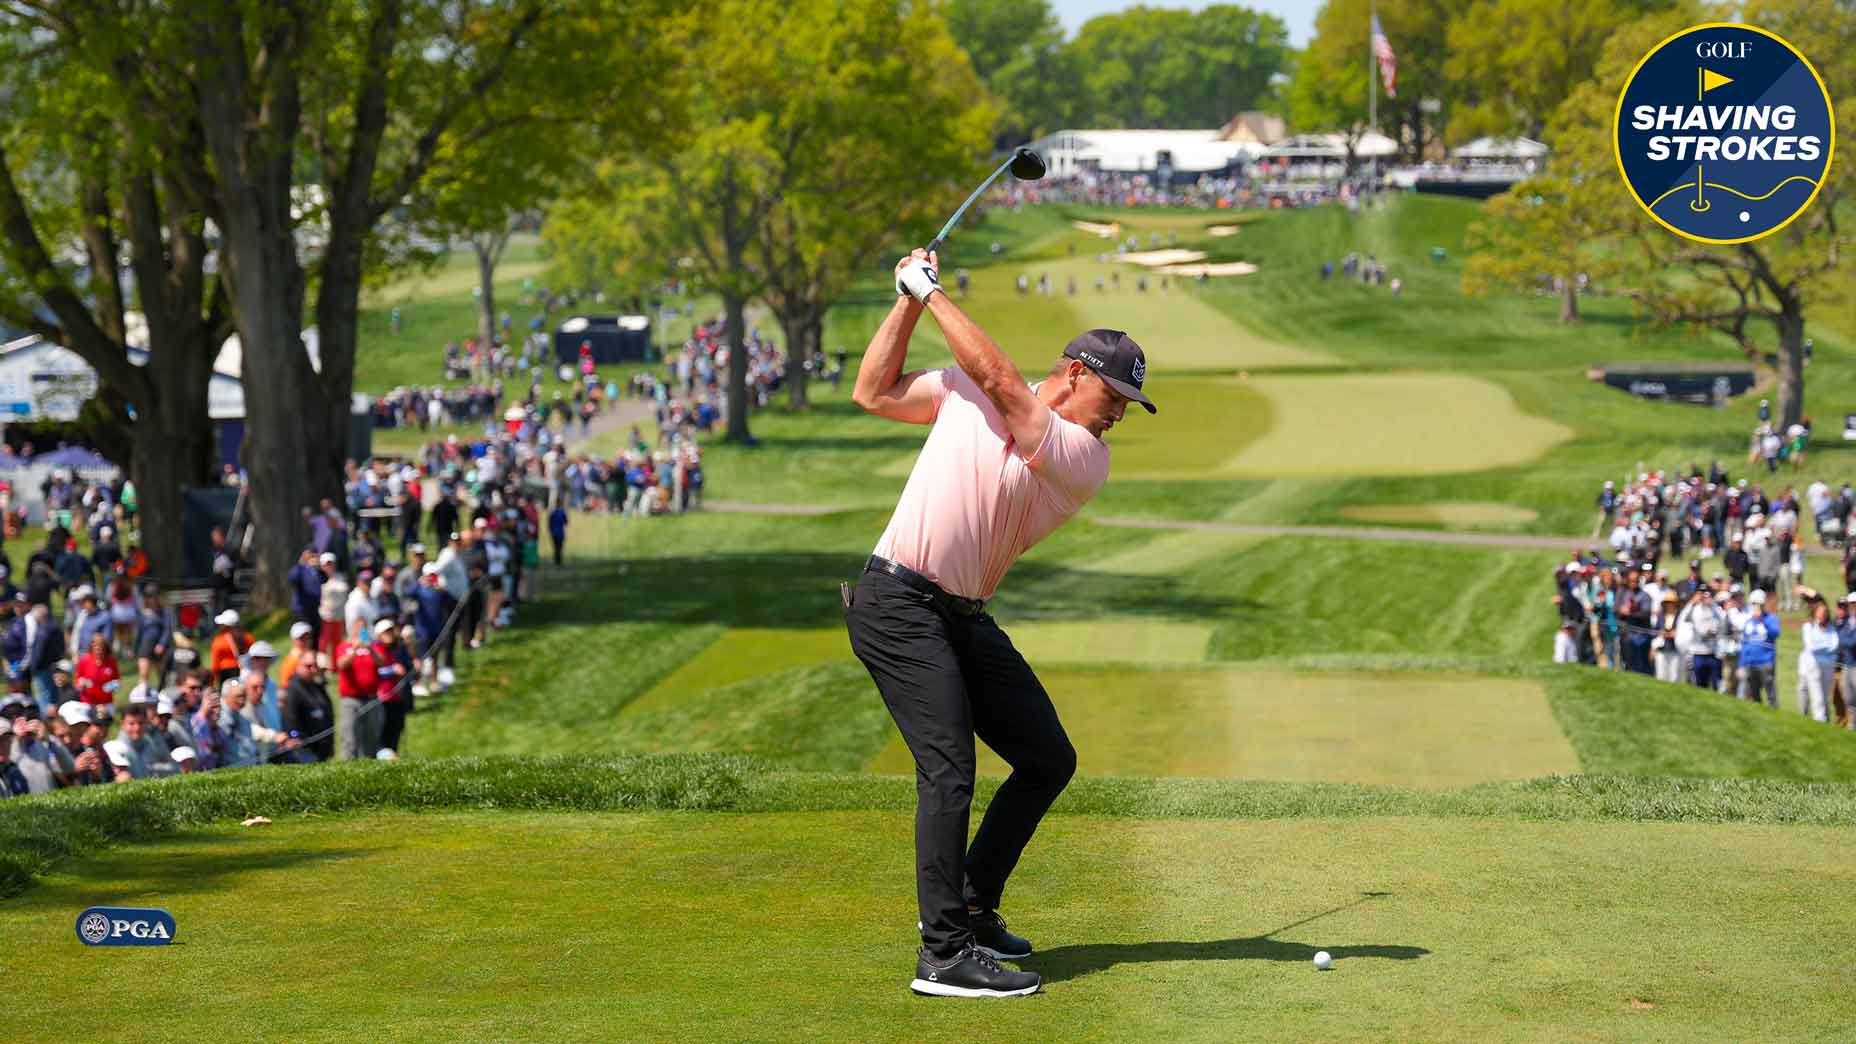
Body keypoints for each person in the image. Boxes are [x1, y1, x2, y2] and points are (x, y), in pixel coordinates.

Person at [844, 248, 1153, 998]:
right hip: (897, 603)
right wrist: (907, 301)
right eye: (1112, 393)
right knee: (948, 770)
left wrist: (934, 292)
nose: (1117, 413)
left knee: (1047, 757)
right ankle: (943, 953)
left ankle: (974, 904)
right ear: (1075, 371)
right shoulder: (963, 394)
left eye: (1127, 405)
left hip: (961, 615)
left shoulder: (1082, 456)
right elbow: (872, 392)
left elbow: (1003, 384)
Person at [334, 617, 382, 760]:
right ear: (351, 628)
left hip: (371, 698)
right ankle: (348, 766)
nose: (361, 630)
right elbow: (341, 665)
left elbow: (381, 662)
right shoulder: (344, 647)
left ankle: (369, 764)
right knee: (350, 737)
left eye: (363, 628)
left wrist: (370, 650)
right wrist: (354, 649)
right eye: (358, 627)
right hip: (351, 700)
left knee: (371, 737)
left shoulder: (373, 647)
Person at [282, 652, 336, 762]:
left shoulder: (317, 685)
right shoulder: (293, 688)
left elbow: (327, 711)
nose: (313, 669)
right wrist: (294, 736)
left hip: (322, 745)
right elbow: (290, 717)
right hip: (305, 748)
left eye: (315, 665)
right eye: (308, 666)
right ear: (298, 666)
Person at [1797, 593, 1837, 722]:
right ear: (1815, 613)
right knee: (1816, 696)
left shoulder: (1831, 628)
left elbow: (1835, 645)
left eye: (1824, 613)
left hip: (1828, 665)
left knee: (1824, 697)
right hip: (1813, 666)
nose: (1822, 615)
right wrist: (1825, 646)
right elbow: (1811, 647)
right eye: (1820, 612)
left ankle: (1823, 720)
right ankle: (1819, 720)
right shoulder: (1809, 627)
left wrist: (1821, 646)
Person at [1737, 589, 1779, 707]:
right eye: (1754, 604)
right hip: (1751, 663)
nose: (1756, 607)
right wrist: (1741, 664)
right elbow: (1745, 644)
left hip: (1766, 662)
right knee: (1753, 694)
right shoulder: (1749, 622)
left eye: (1758, 604)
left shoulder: (1771, 619)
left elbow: (1775, 633)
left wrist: (1763, 621)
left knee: (1771, 694)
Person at [73, 632, 121, 721]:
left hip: (106, 701)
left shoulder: (111, 661)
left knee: (106, 721)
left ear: (105, 647)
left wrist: (112, 686)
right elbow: (77, 680)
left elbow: (117, 681)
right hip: (88, 701)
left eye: (100, 645)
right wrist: (81, 684)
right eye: (95, 645)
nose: (98, 648)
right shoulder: (84, 660)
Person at [209, 609, 250, 686]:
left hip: (226, 674)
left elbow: (215, 666)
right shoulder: (248, 637)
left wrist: (212, 682)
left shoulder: (219, 641)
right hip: (244, 672)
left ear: (224, 625)